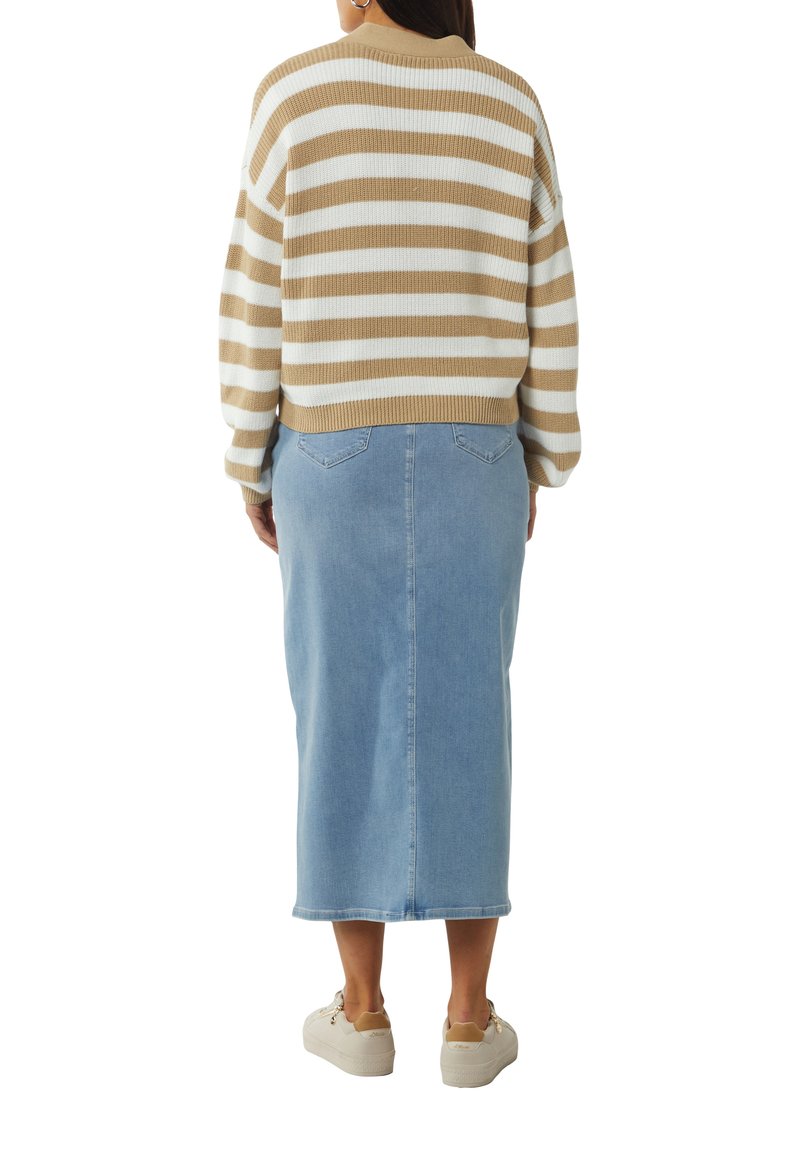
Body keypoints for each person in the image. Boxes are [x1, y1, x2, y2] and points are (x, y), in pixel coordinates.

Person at [218, 0, 580, 1087]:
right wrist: (542, 457)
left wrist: (249, 457)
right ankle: (468, 1021)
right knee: (472, 713)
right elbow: (550, 300)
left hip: (328, 450)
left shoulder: (293, 94)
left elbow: (253, 297)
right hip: (476, 454)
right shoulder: (508, 101)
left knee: (338, 712)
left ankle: (363, 1011)